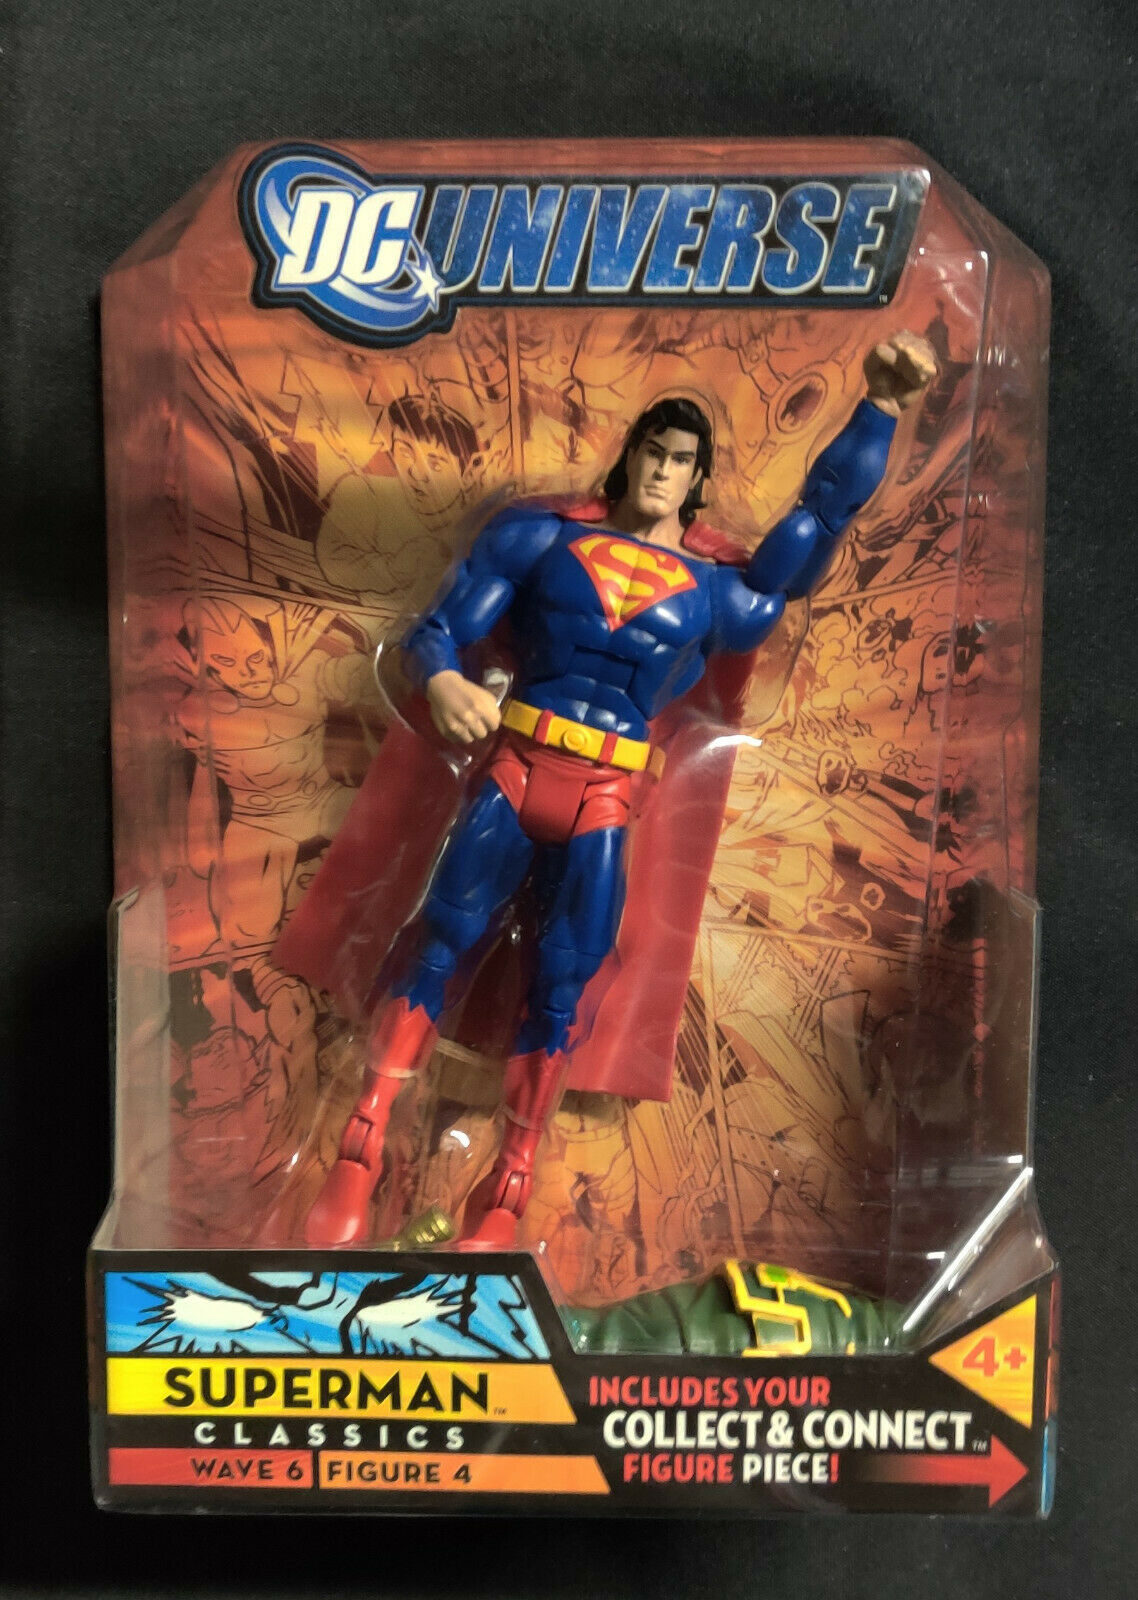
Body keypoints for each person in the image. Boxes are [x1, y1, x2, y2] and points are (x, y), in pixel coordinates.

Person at [301, 332, 937, 1250]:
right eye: (653, 451)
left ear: (698, 479)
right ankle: (360, 1147)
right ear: (630, 455)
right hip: (516, 768)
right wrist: (442, 682)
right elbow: (436, 630)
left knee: (563, 984)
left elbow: (819, 519)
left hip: (605, 796)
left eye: (682, 460)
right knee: (438, 942)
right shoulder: (541, 539)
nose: (663, 470)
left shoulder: (717, 594)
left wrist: (879, 405)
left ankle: (509, 1188)